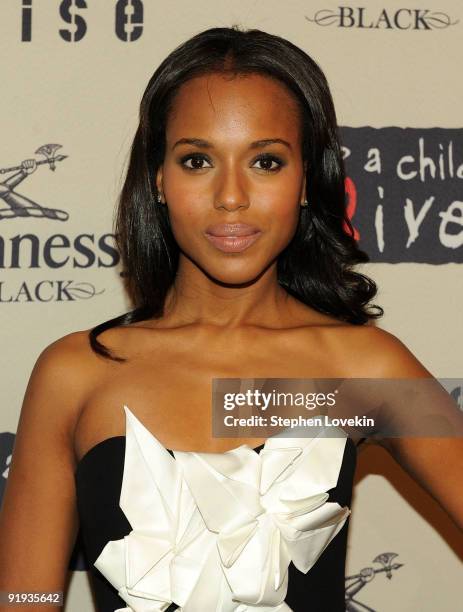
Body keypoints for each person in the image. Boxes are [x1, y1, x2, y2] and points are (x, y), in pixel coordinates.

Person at [0, 25, 461, 612]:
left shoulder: (364, 367)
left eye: (266, 161)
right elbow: (23, 597)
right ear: (159, 179)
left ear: (304, 181)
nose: (231, 196)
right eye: (197, 160)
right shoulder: (75, 372)